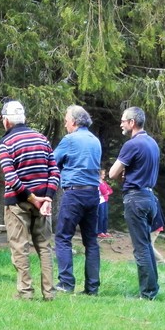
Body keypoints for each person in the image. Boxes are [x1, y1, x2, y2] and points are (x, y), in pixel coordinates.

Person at [0, 100, 60, 301]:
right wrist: (47, 198)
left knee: (20, 247)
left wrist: (32, 198)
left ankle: (25, 293)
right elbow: (54, 171)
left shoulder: (6, 142)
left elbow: (11, 177)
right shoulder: (42, 139)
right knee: (44, 247)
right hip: (42, 203)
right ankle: (49, 294)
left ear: (6, 121)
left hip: (19, 203)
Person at [109, 106, 160, 300]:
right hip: (149, 198)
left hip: (135, 199)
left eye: (123, 120)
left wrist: (123, 174)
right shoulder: (153, 143)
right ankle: (153, 289)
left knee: (140, 248)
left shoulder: (132, 144)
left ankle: (147, 294)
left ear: (132, 123)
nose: (121, 123)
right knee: (146, 245)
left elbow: (113, 173)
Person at [53, 105, 101, 296]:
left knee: (63, 237)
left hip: (74, 194)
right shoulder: (95, 140)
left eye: (66, 120)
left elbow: (53, 161)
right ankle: (92, 288)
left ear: (74, 121)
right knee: (91, 241)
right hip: (93, 194)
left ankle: (66, 283)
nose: (65, 123)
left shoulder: (70, 139)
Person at [97, 169, 114, 238]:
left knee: (105, 216)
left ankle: (104, 231)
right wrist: (106, 192)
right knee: (101, 216)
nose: (104, 175)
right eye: (103, 174)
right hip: (100, 201)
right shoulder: (98, 183)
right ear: (99, 175)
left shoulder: (104, 182)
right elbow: (104, 192)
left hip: (105, 200)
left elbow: (110, 190)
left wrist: (107, 192)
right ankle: (99, 231)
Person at [150, 196, 165, 264]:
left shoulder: (150, 198)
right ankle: (150, 261)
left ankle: (161, 260)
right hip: (157, 224)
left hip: (156, 225)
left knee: (149, 245)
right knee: (149, 244)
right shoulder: (152, 197)